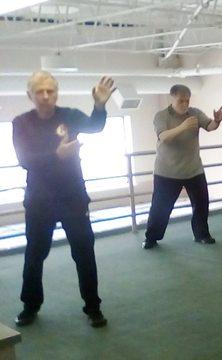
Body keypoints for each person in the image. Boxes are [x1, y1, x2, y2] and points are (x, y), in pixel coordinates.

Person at [12, 71, 116, 327]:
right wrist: (56, 155)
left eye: (51, 91)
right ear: (30, 95)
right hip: (39, 202)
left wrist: (100, 106)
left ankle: (93, 307)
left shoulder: (69, 115)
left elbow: (95, 126)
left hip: (73, 200)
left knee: (84, 254)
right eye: (40, 92)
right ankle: (30, 305)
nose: (46, 96)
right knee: (35, 255)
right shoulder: (21, 122)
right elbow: (25, 160)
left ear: (57, 93)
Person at [142, 85, 222, 249]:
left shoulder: (195, 113)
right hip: (167, 172)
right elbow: (163, 137)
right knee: (160, 208)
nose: (184, 104)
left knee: (201, 205)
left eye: (187, 100)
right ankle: (151, 238)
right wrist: (182, 127)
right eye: (181, 100)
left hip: (194, 169)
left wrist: (216, 121)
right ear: (172, 98)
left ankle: (202, 234)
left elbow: (210, 127)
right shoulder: (161, 116)